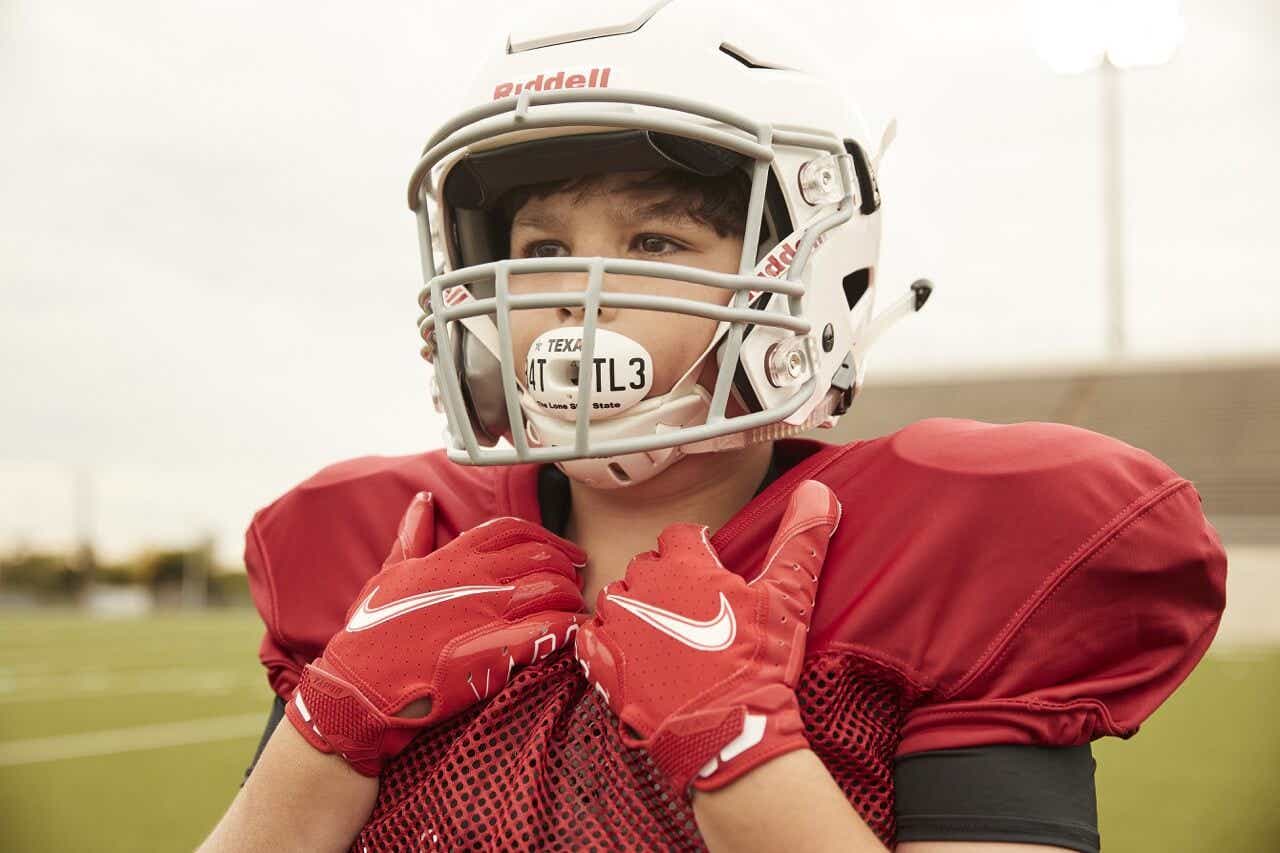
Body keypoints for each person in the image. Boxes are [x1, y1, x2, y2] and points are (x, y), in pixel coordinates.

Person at [199, 2, 1227, 851]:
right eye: (539, 244)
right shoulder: (392, 543)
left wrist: (741, 757)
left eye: (654, 238)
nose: (575, 296)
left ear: (803, 270)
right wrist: (327, 730)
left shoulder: (941, 551)